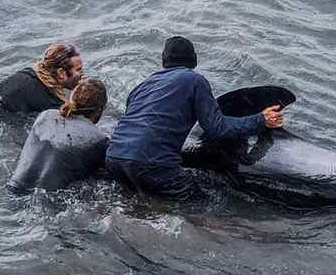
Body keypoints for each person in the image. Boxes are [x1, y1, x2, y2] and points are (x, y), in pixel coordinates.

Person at [104, 36, 284, 200]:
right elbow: (217, 127)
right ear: (194, 59)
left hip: (113, 159)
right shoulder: (195, 80)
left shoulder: (143, 85)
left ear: (163, 60)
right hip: (150, 164)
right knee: (204, 202)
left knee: (137, 197)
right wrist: (261, 120)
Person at [7, 79, 109, 195]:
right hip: (49, 202)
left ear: (71, 99)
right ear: (100, 109)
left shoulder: (46, 115)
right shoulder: (99, 139)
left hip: (14, 188)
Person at [0, 42, 83, 122]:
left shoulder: (29, 73)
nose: (83, 74)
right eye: (78, 69)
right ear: (61, 73)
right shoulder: (48, 102)